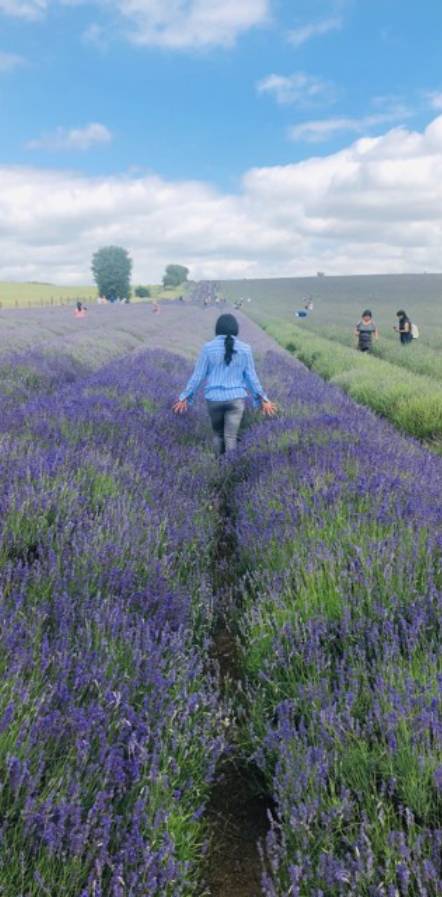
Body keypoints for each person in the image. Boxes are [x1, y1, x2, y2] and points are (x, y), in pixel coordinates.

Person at [173, 313, 277, 454]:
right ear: (236, 329)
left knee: (218, 435)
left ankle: (218, 467)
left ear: (217, 328)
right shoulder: (245, 349)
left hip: (214, 399)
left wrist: (184, 397)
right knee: (231, 437)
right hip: (236, 399)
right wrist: (263, 399)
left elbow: (198, 376)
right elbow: (252, 378)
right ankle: (229, 467)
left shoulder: (208, 348)